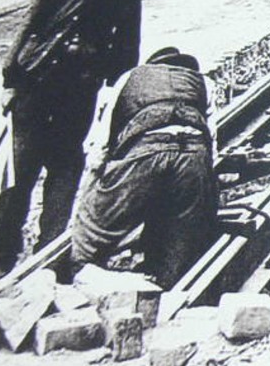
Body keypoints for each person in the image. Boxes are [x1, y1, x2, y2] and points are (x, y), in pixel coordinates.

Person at [0, 0, 152, 274]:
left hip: (81, 83)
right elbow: (35, 15)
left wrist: (118, 83)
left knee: (65, 167)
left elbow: (130, 30)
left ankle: (50, 256)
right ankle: (1, 254)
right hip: (38, 76)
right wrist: (11, 77)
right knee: (21, 167)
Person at [69, 46, 217, 289]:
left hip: (145, 149)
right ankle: (167, 287)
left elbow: (100, 146)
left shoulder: (129, 78)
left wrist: (92, 198)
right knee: (182, 242)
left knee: (91, 240)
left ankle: (75, 283)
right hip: (193, 153)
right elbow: (211, 142)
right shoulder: (203, 82)